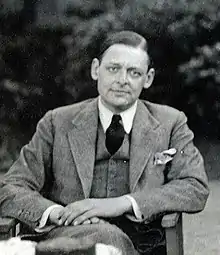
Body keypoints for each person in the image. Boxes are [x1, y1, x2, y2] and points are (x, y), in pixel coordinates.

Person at [0, 30, 209, 254]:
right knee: (102, 238)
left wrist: (122, 203)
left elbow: (194, 186)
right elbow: (11, 186)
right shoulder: (57, 122)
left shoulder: (170, 123)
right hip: (69, 234)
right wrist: (54, 212)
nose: (122, 80)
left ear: (148, 79)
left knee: (108, 239)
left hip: (141, 242)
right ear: (95, 70)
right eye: (113, 69)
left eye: (134, 73)